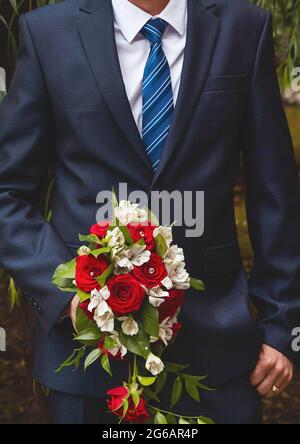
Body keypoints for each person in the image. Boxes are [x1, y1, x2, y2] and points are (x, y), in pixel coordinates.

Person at [0, 0, 299, 424]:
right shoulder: (47, 33)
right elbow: (8, 191)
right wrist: (67, 297)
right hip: (87, 355)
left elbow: (276, 195)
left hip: (219, 352)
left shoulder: (244, 28)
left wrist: (281, 326)